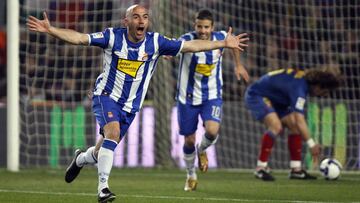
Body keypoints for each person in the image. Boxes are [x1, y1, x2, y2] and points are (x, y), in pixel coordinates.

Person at [27, 4, 249, 202]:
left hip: (131, 106)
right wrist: (51, 30)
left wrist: (223, 43)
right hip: (106, 96)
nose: (141, 20)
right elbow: (79, 38)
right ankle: (103, 189)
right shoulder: (112, 37)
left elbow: (191, 46)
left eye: (144, 17)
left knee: (101, 149)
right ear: (126, 21)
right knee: (112, 134)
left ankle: (81, 158)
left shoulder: (156, 42)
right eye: (136, 17)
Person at [174, 9, 249, 191]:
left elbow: (233, 46)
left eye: (206, 27)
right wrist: (168, 53)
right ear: (195, 25)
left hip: (212, 95)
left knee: (213, 131)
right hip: (187, 98)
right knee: (189, 140)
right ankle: (191, 175)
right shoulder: (186, 39)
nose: (203, 30)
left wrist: (238, 65)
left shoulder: (222, 37)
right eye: (199, 26)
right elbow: (172, 48)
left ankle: (202, 149)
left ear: (212, 27)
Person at [244, 68, 341, 181]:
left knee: (294, 126)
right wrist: (312, 145)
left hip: (276, 99)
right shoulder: (299, 88)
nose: (324, 95)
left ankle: (296, 170)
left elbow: (297, 122)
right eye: (325, 91)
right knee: (276, 126)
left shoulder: (301, 82)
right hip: (257, 95)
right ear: (318, 86)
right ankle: (260, 168)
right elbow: (300, 119)